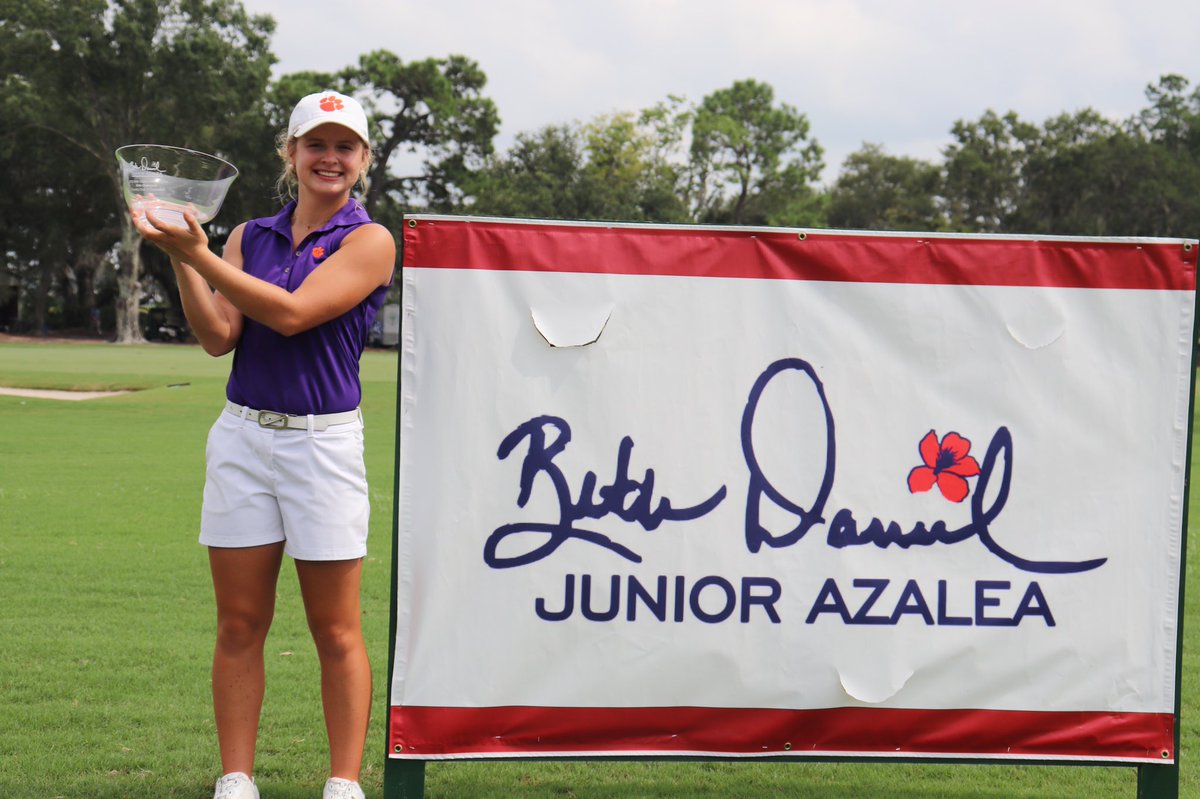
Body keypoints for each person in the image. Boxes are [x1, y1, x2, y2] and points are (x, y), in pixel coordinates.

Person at [133, 90, 395, 799]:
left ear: (363, 160)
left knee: (336, 628)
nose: (330, 158)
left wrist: (198, 251)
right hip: (244, 439)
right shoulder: (251, 234)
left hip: (324, 447)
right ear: (291, 154)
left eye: (345, 146)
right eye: (316, 143)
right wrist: (181, 257)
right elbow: (221, 335)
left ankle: (342, 782)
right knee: (240, 620)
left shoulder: (369, 242)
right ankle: (236, 778)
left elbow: (290, 314)